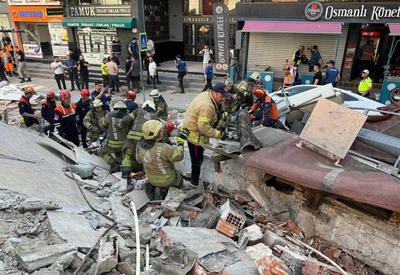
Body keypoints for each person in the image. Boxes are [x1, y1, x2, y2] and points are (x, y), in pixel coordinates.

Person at [182, 82, 229, 185]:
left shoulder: (206, 94)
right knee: (197, 161)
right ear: (215, 92)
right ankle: (194, 184)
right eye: (221, 96)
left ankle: (195, 179)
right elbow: (203, 127)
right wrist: (219, 134)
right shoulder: (207, 106)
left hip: (193, 131)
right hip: (194, 137)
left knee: (198, 158)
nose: (223, 99)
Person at [136, 120, 188, 200]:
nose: (163, 131)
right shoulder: (165, 147)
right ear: (156, 133)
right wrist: (180, 142)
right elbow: (179, 157)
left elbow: (139, 160)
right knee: (179, 178)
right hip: (168, 180)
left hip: (151, 179)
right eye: (160, 130)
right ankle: (169, 192)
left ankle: (156, 189)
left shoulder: (139, 145)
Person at [121, 104, 159, 177]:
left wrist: (127, 131)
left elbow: (124, 121)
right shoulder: (155, 117)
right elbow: (161, 131)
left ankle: (125, 174)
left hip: (131, 139)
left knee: (127, 156)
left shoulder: (137, 111)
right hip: (144, 142)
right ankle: (145, 176)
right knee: (145, 158)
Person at [99, 100, 129, 172]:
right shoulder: (128, 116)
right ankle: (121, 166)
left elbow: (102, 125)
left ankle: (114, 164)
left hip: (112, 143)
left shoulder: (109, 115)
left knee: (101, 152)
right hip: (124, 143)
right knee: (120, 154)